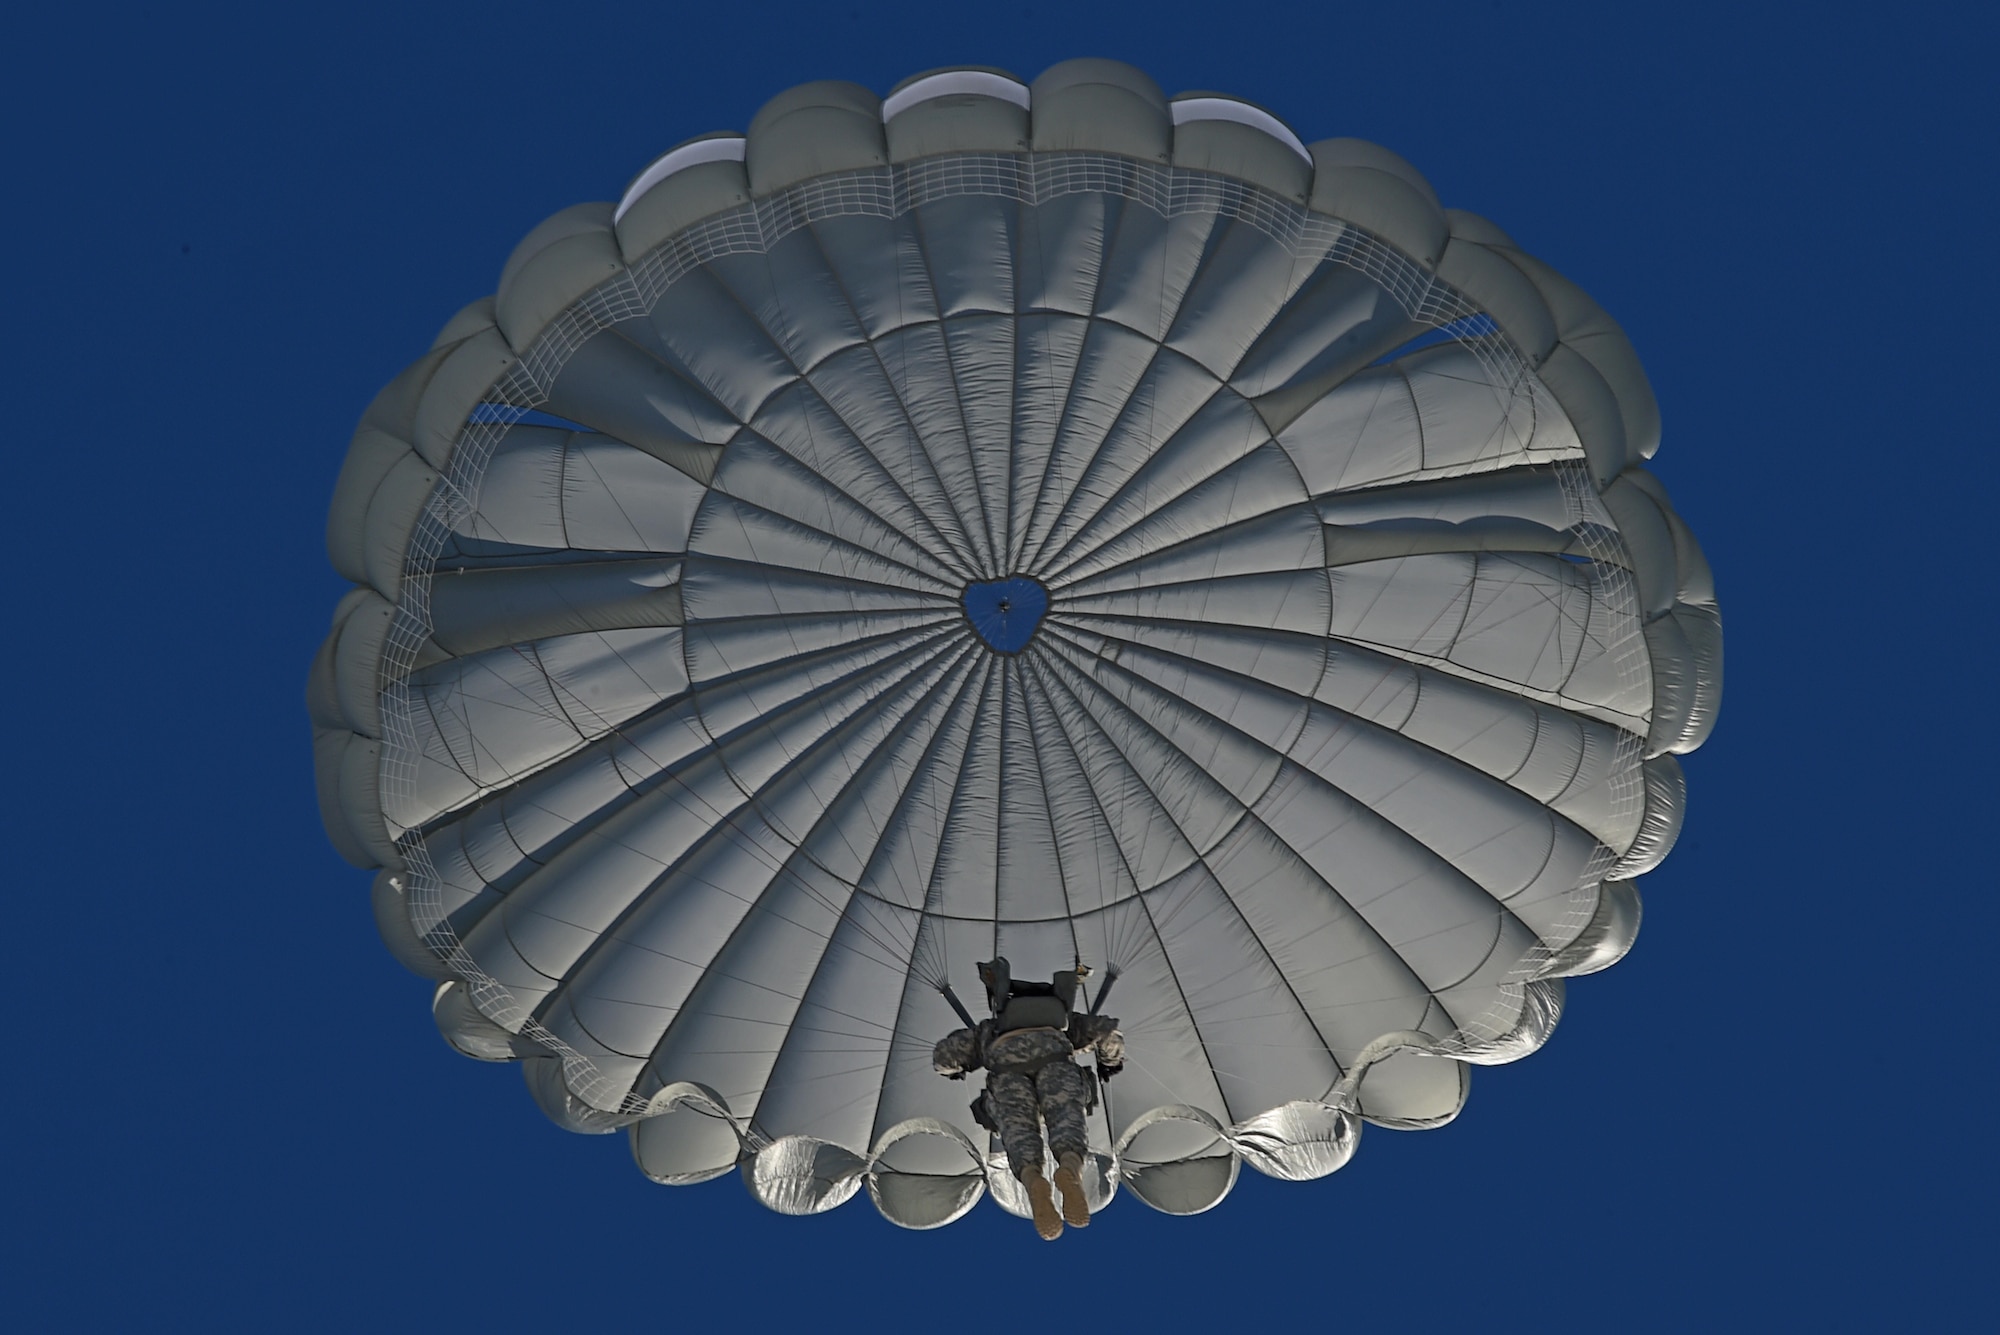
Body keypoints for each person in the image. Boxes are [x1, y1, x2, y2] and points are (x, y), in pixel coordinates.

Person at [932, 958, 1125, 1240]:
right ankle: (1070, 1170)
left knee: (1018, 1132)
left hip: (1007, 1073)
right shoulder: (1066, 1023)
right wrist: (1110, 1062)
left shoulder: (989, 1029)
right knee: (1067, 1121)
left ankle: (1034, 1180)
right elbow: (1107, 1032)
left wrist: (954, 1069)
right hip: (1056, 1062)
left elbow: (944, 1056)